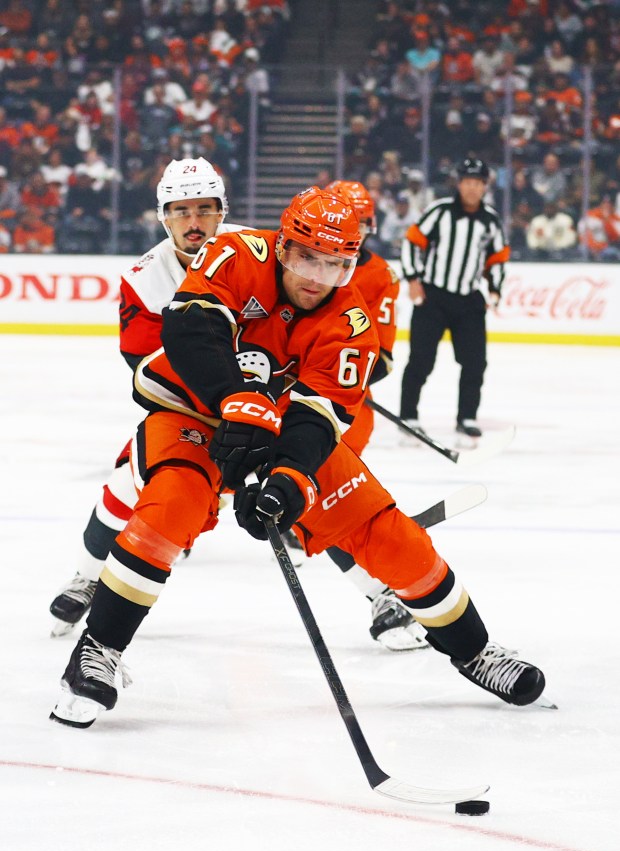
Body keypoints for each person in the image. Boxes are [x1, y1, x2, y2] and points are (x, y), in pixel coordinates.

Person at [50, 186, 546, 729]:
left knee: (389, 535)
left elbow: (317, 422)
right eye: (308, 257)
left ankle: (475, 650)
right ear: (283, 246)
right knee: (170, 509)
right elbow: (190, 328)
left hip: (282, 423)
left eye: (336, 264)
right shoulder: (237, 254)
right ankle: (96, 652)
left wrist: (287, 482)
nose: (318, 276)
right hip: (194, 410)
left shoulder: (351, 324)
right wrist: (231, 400)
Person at [49, 157, 244, 637]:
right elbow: (146, 368)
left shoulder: (256, 253)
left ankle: (381, 592)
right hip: (185, 408)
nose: (194, 222)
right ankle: (87, 578)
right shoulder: (144, 278)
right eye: (181, 211)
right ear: (163, 217)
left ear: (223, 210)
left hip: (262, 403)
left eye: (205, 208)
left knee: (313, 482)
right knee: (126, 483)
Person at [324, 179, 427, 652]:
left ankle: (381, 595)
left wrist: (337, 373)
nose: (359, 230)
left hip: (340, 406)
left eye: (364, 222)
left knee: (325, 501)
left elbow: (381, 357)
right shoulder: (296, 262)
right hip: (269, 400)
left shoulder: (379, 274)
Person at [399, 157, 509, 440]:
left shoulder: (490, 221)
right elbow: (412, 242)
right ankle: (408, 415)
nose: (472, 188)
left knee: (475, 362)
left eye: (478, 183)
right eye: (467, 182)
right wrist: (413, 279)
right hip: (432, 296)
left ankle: (467, 417)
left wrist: (495, 288)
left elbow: (497, 259)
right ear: (459, 184)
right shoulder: (439, 212)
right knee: (421, 360)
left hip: (469, 301)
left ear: (485, 186)